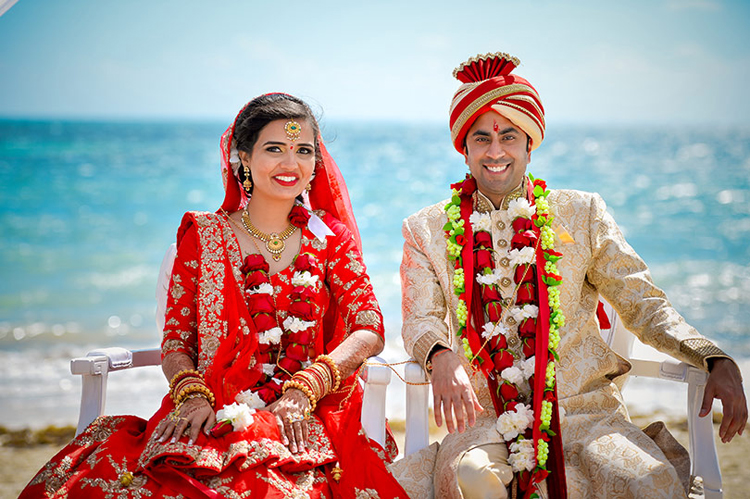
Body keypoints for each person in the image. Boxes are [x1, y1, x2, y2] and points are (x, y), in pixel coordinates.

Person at [21, 93, 408, 498]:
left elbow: (369, 327)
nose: (290, 164)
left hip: (304, 412)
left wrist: (306, 385)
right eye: (274, 149)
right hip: (212, 408)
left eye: (303, 151)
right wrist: (190, 398)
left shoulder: (331, 239)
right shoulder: (203, 236)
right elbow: (176, 341)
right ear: (243, 157)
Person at [400, 52, 747, 498]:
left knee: (651, 483)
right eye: (481, 138)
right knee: (474, 478)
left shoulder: (581, 213)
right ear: (464, 150)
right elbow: (419, 318)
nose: (495, 151)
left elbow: (643, 303)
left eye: (509, 136)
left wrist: (712, 357)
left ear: (530, 143)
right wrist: (440, 354)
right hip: (485, 421)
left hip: (583, 413)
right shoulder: (426, 229)